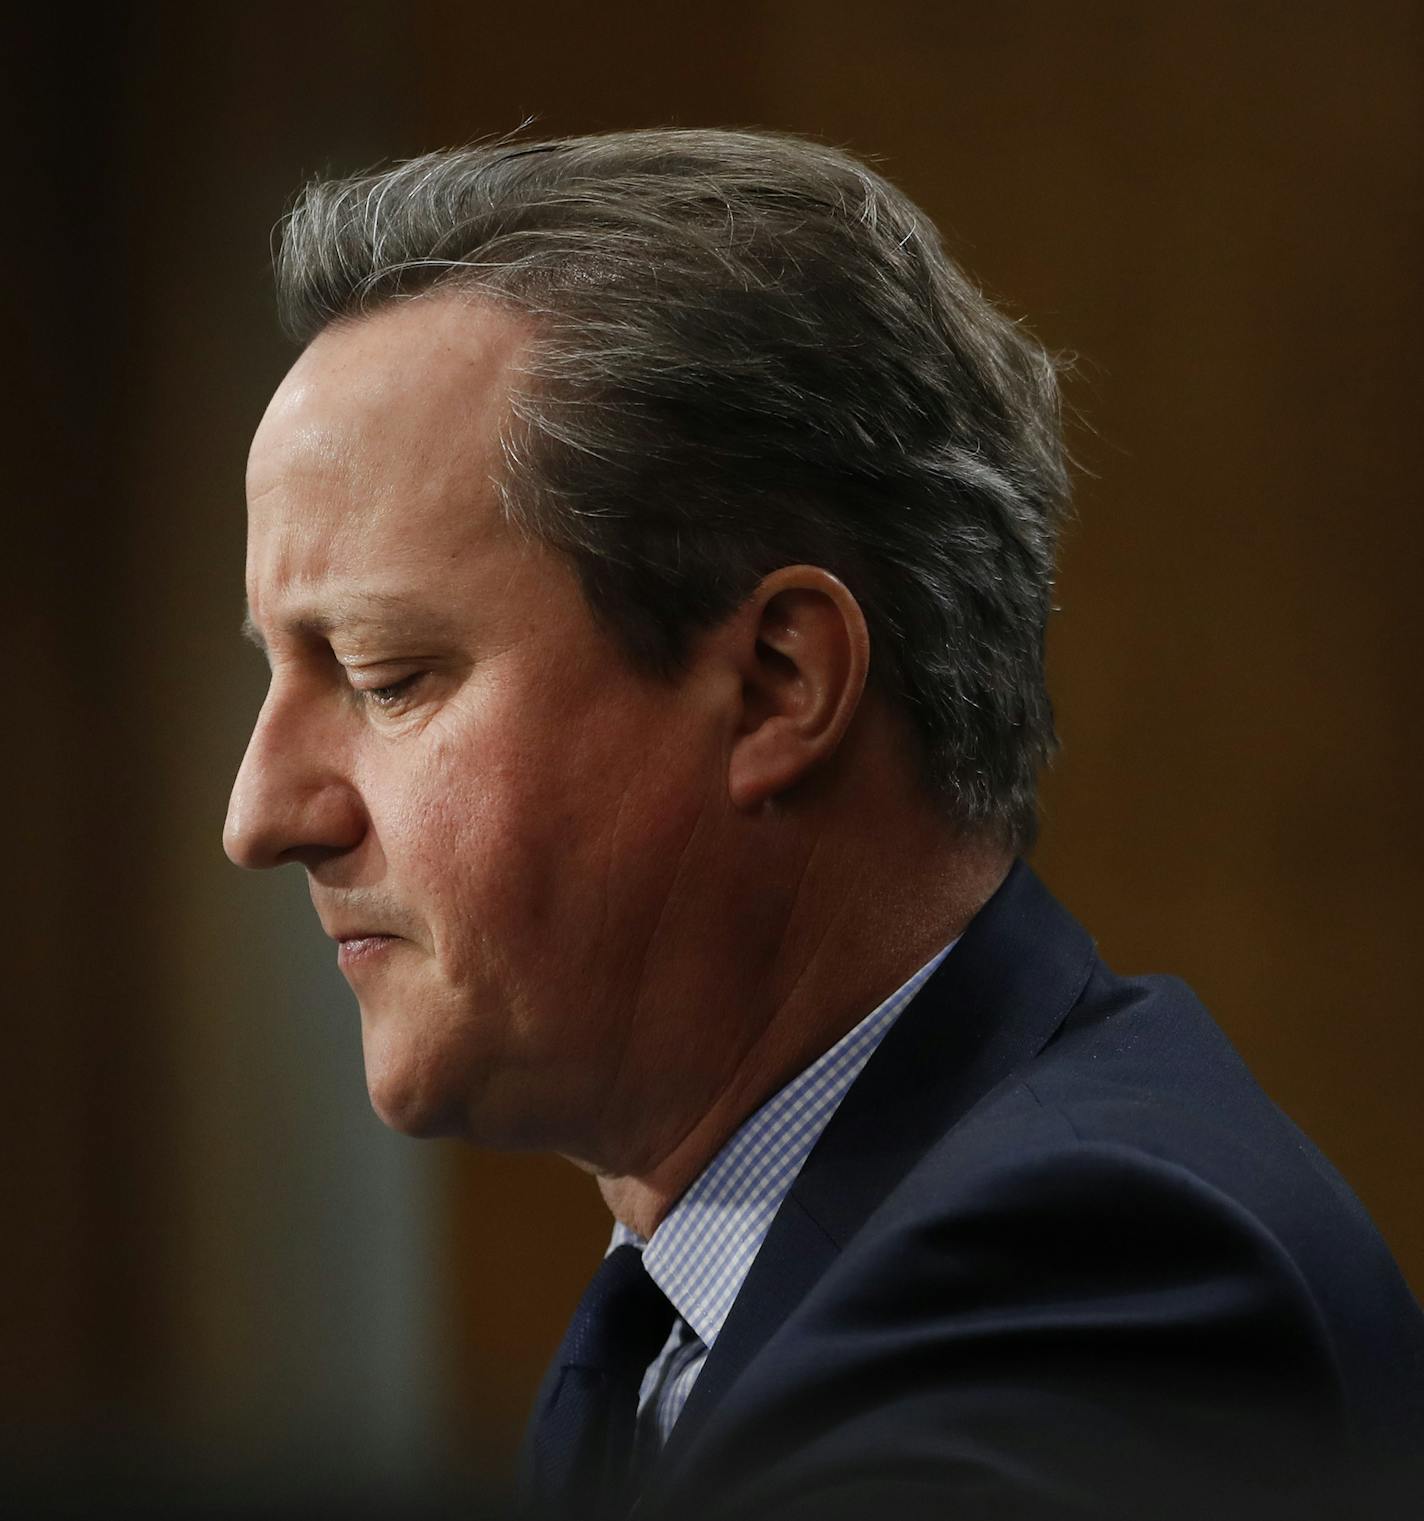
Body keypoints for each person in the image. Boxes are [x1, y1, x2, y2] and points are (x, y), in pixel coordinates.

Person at [223, 129, 1423, 1519]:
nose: (263, 815)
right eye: (272, 671)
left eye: (384, 676)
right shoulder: (701, 1306)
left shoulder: (1086, 1289)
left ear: (778, 685)